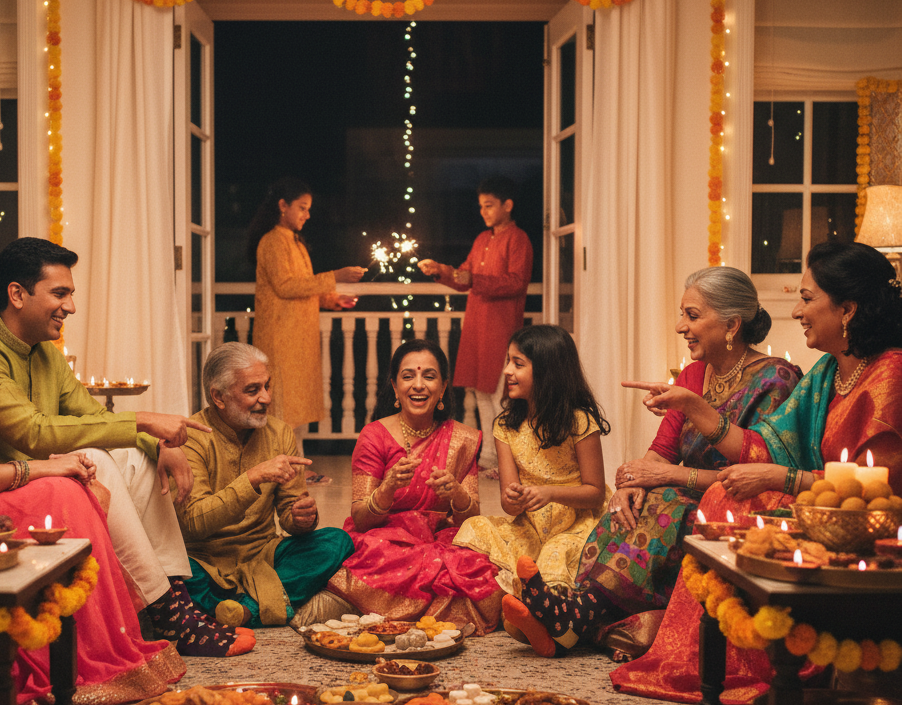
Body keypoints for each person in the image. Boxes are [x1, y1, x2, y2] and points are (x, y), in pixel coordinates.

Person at [0, 229, 192, 705]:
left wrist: (151, 438)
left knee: (104, 468)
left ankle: (164, 604)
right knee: (70, 485)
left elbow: (89, 416)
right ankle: (85, 653)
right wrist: (41, 471)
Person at [612, 241, 902, 703]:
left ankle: (745, 660)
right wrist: (691, 405)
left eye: (807, 299)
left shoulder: (889, 375)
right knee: (720, 497)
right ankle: (707, 654)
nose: (796, 311)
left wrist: (780, 480)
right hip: (822, 509)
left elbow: (880, 487)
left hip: (871, 528)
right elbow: (762, 447)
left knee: (720, 499)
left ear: (847, 308)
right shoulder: (829, 371)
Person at [0, 237, 247, 658]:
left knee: (135, 459)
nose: (71, 307)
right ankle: (170, 613)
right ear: (17, 294)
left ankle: (174, 597)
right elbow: (35, 434)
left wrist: (157, 445)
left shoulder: (44, 352)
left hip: (47, 476)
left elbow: (85, 414)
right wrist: (143, 420)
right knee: (96, 459)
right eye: (60, 294)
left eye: (71, 295)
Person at [570, 267, 800, 660]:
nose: (680, 326)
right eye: (683, 314)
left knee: (666, 506)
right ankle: (585, 611)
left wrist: (666, 476)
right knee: (629, 506)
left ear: (731, 324)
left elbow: (758, 473)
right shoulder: (695, 373)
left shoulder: (775, 379)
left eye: (692, 316)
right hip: (687, 495)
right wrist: (633, 483)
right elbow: (661, 450)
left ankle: (580, 619)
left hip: (740, 507)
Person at [325, 339, 504, 633]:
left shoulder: (462, 439)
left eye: (429, 376)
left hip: (441, 537)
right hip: (386, 539)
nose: (418, 385)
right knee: (382, 556)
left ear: (444, 387)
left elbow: (472, 522)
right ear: (394, 387)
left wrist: (456, 494)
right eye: (408, 376)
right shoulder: (374, 436)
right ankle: (450, 615)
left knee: (480, 563)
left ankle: (400, 613)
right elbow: (360, 518)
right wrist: (387, 489)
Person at [177, 341, 354, 627]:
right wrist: (253, 478)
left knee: (336, 542)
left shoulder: (280, 433)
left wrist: (302, 519)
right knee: (175, 573)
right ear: (218, 397)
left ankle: (242, 610)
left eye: (267, 386)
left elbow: (290, 514)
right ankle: (268, 603)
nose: (266, 398)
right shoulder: (191, 438)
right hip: (206, 561)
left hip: (263, 555)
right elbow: (195, 522)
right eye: (253, 390)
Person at [452, 324, 609, 641]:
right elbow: (509, 507)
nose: (507, 371)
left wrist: (549, 492)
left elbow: (594, 493)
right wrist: (515, 498)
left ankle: (550, 626)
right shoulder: (506, 427)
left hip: (577, 522)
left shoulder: (579, 421)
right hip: (531, 525)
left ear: (549, 371)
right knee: (474, 528)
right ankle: (528, 615)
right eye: (508, 361)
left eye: (518, 363)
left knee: (553, 554)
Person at [418, 176, 533, 470]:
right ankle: (491, 457)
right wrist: (441, 270)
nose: (483, 211)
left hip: (501, 327)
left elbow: (516, 283)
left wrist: (472, 279)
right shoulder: (483, 240)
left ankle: (510, 462)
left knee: (501, 396)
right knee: (482, 394)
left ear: (507, 205)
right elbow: (463, 277)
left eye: (489, 205)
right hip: (478, 325)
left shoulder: (518, 239)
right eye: (481, 206)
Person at [248, 177, 366, 464]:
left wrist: (331, 299)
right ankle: (283, 468)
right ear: (282, 206)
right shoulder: (272, 241)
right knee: (282, 407)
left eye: (308, 208)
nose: (307, 215)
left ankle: (295, 465)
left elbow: (303, 286)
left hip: (299, 337)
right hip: (280, 336)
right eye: (302, 208)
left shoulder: (295, 242)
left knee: (296, 410)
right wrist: (334, 277)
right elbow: (285, 287)